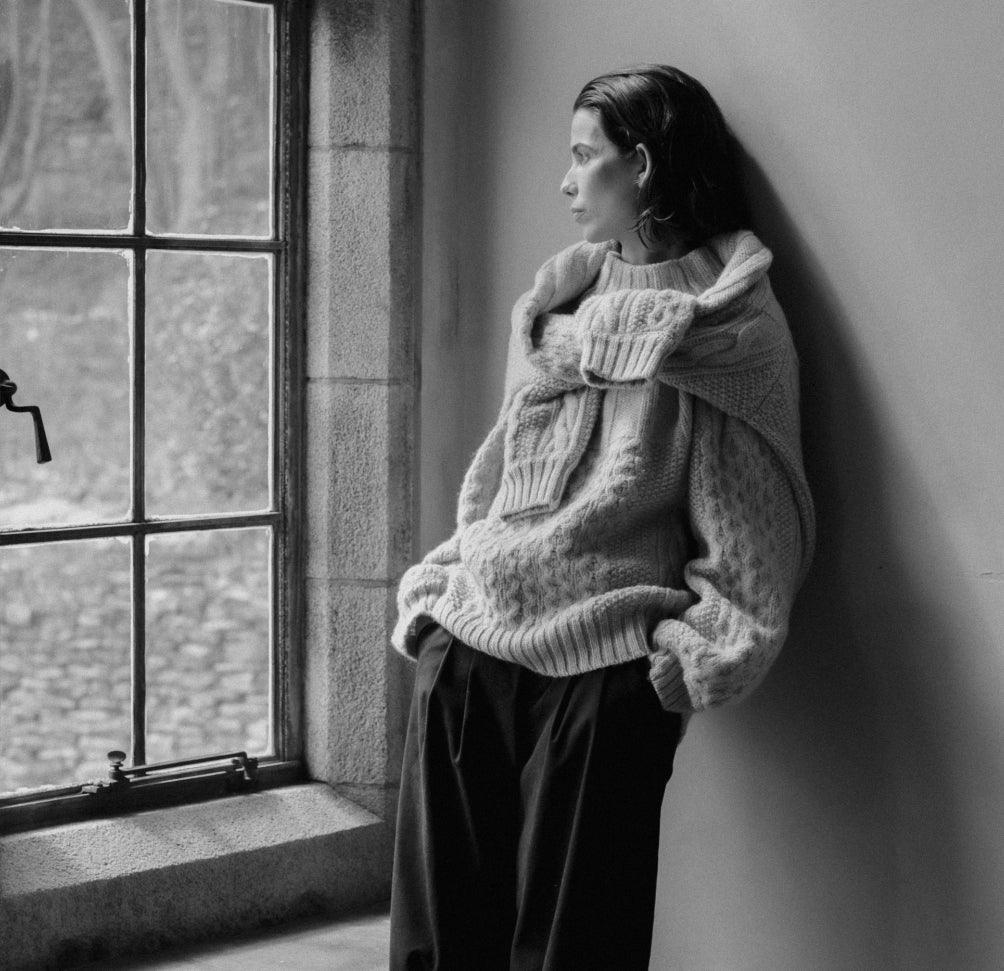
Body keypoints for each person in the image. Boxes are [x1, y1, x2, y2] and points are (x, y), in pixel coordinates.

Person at [389, 64, 815, 971]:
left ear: (644, 166)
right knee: (439, 947)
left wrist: (683, 663)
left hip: (604, 671)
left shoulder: (730, 332)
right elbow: (506, 477)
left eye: (586, 157)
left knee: (573, 951)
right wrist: (441, 598)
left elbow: (752, 532)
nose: (566, 181)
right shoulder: (557, 307)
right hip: (473, 642)